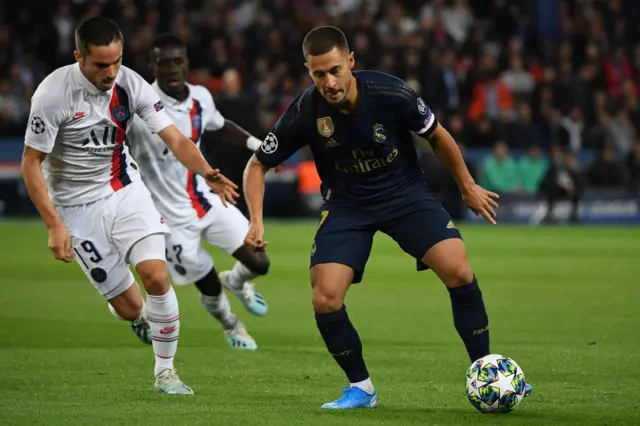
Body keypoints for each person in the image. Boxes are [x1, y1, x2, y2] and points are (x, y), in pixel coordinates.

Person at [242, 26, 532, 409]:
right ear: (309, 72)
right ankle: (361, 389)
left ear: (350, 61)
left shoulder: (390, 92)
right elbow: (256, 165)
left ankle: (489, 371)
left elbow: (438, 136)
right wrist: (256, 221)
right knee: (325, 298)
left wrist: (467, 186)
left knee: (459, 271)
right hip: (347, 205)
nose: (328, 82)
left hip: (404, 195)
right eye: (318, 74)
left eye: (334, 70)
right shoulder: (305, 110)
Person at [21, 17, 237, 394]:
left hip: (123, 189)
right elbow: (30, 163)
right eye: (101, 65)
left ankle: (165, 373)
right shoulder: (52, 95)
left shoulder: (130, 84)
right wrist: (54, 224)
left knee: (156, 275)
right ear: (79, 58)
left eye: (116, 62)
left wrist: (206, 171)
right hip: (74, 208)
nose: (110, 72)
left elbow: (173, 136)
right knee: (131, 307)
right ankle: (137, 317)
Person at [127, 34, 269, 350]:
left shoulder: (201, 96)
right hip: (168, 219)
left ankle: (236, 280)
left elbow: (220, 125)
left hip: (205, 199)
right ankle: (231, 325)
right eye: (164, 62)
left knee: (259, 261)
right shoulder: (138, 104)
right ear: (153, 65)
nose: (173, 68)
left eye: (178, 61)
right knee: (207, 284)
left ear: (187, 63)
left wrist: (257, 146)